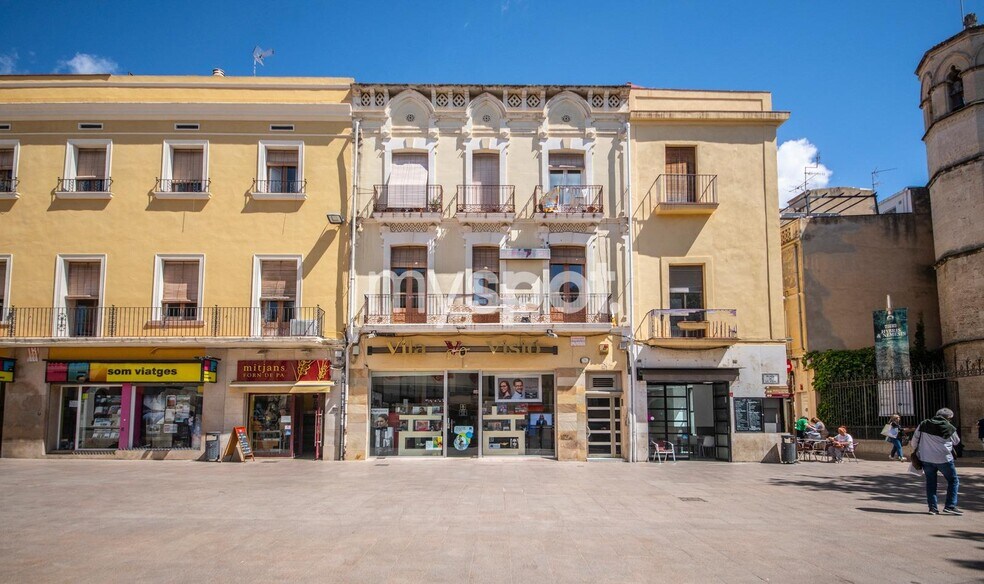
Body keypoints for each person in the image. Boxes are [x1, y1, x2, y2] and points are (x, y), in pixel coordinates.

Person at [911, 408, 962, 515]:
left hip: (926, 458)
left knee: (931, 483)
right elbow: (956, 441)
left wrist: (918, 451)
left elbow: (914, 440)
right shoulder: (949, 427)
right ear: (948, 418)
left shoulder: (924, 424)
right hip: (944, 459)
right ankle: (950, 506)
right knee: (953, 481)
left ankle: (933, 508)